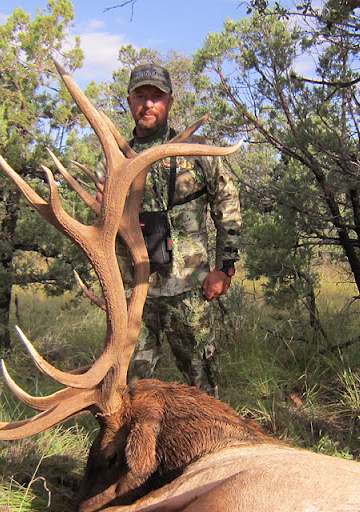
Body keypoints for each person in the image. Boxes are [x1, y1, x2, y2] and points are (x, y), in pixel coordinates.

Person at [97, 63, 241, 398]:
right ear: (130, 102)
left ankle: (210, 446)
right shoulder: (112, 160)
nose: (147, 104)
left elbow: (228, 207)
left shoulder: (198, 151)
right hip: (135, 296)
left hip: (189, 290)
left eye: (156, 97)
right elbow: (102, 233)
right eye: (140, 96)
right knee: (130, 389)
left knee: (202, 387)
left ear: (170, 102)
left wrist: (224, 269)